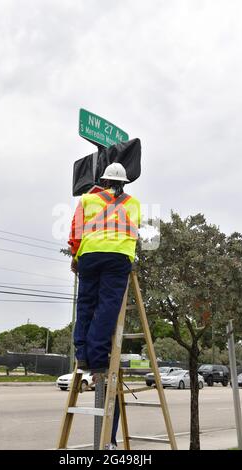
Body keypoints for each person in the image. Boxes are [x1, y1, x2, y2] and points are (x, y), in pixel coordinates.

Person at [68, 162, 140, 447]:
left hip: (90, 257)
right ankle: (97, 360)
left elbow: (75, 232)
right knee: (108, 307)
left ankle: (82, 353)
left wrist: (76, 256)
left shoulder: (87, 200)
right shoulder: (134, 204)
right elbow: (132, 233)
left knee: (85, 304)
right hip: (117, 258)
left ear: (103, 180)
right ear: (123, 183)